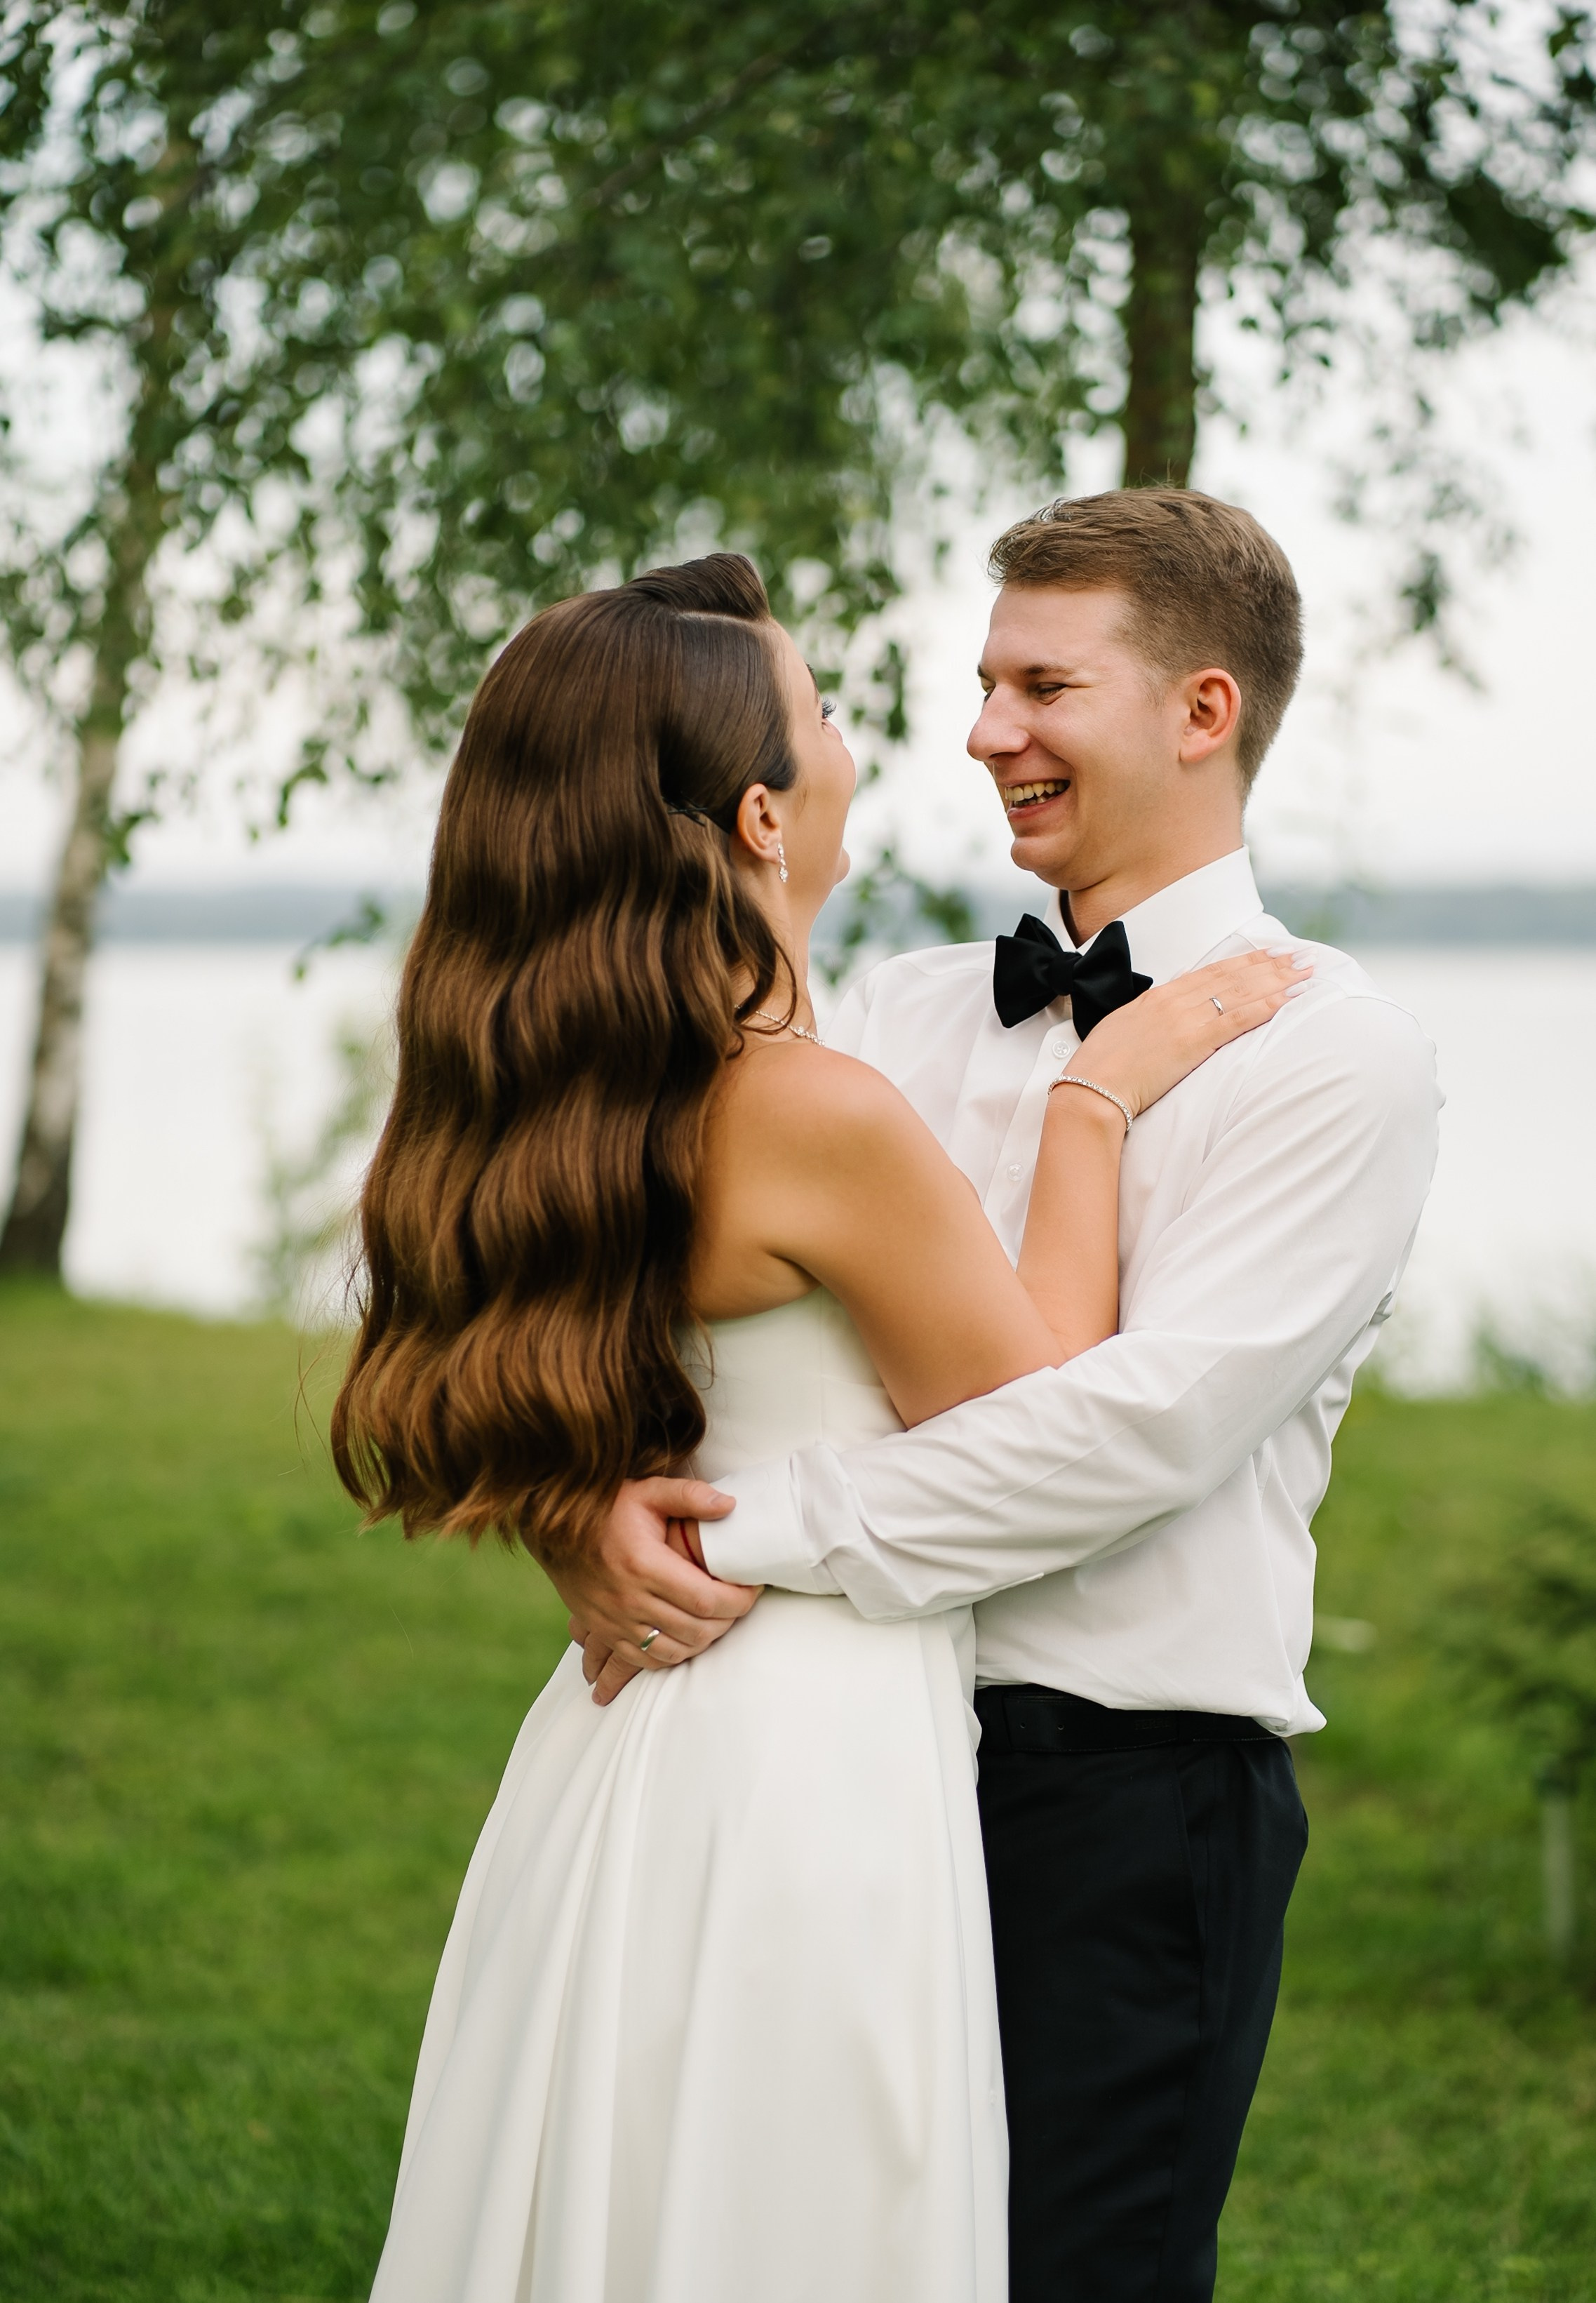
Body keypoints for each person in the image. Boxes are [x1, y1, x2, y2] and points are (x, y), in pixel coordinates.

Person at [332, 548, 1303, 2303]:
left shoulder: (604, 1084)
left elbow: (547, 1355)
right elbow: (1048, 1419)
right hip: (808, 1756)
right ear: (764, 816)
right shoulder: (820, 1101)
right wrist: (1091, 1102)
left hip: (621, 1746)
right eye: (831, 710)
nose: (914, 738)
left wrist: (596, 1515)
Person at [558, 492, 1442, 2303]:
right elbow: (683, 1302)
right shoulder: (887, 1007)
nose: (979, 735)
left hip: (1115, 1795)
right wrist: (587, 1488)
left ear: (1203, 712)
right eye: (979, 683)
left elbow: (1127, 1432)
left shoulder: (1332, 1053)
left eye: (1041, 684)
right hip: (833, 1762)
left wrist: (744, 1530)